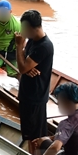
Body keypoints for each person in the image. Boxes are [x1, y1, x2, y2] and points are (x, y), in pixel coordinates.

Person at [15, 10, 54, 147]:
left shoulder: (44, 46)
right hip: (27, 95)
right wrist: (27, 68)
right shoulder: (32, 41)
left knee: (34, 137)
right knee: (28, 133)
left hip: (35, 97)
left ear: (30, 28)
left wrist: (19, 45)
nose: (21, 32)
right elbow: (24, 64)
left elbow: (21, 68)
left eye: (23, 28)